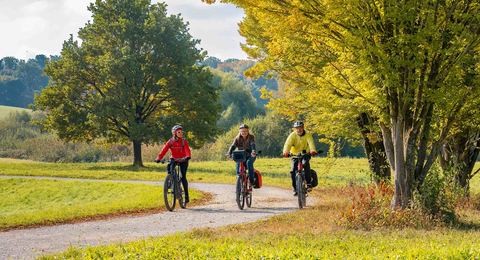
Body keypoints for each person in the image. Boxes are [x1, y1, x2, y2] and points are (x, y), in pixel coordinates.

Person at [155, 124, 192, 203]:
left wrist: (188, 156)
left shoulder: (184, 141)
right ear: (174, 133)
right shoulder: (170, 141)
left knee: (183, 177)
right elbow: (164, 150)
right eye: (179, 132)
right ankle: (170, 180)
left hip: (183, 159)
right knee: (170, 169)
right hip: (174, 158)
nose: (181, 133)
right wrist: (159, 158)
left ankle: (186, 196)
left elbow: (187, 150)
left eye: (182, 132)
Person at [282, 121, 318, 196]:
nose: (299, 130)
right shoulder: (292, 135)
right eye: (297, 128)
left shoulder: (308, 135)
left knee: (305, 164)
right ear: (294, 129)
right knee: (292, 170)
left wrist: (313, 150)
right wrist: (286, 152)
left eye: (300, 128)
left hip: (305, 154)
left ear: (303, 128)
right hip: (294, 155)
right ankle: (295, 188)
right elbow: (287, 144)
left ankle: (308, 184)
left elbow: (311, 143)